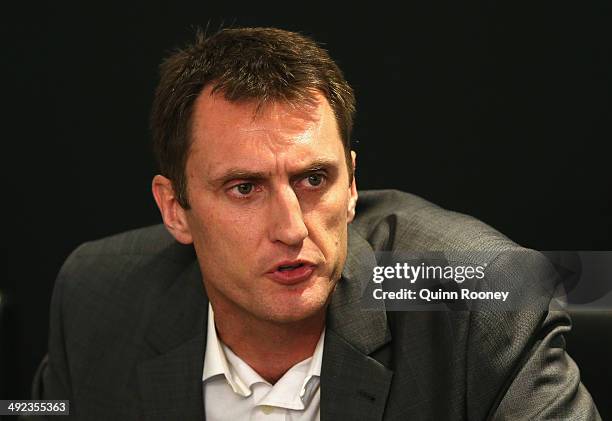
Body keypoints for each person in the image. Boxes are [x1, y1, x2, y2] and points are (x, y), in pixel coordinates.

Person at [32, 27, 601, 420]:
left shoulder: (480, 295)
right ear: (174, 209)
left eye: (313, 180)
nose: (291, 228)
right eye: (244, 187)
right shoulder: (98, 295)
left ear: (352, 185)